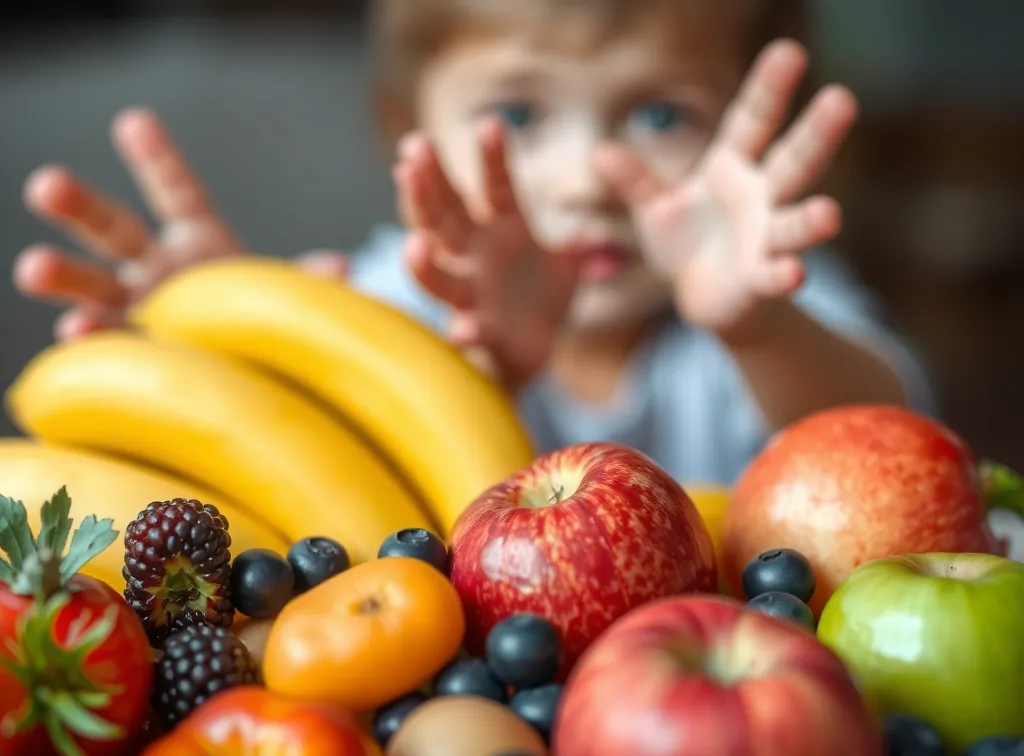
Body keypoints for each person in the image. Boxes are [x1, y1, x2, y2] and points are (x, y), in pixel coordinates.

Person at [11, 0, 934, 487]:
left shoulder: (760, 302)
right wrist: (213, 335)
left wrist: (760, 329)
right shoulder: (388, 302)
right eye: (518, 115)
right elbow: (283, 470)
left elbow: (897, 440)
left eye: (661, 115)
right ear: (404, 128)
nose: (583, 179)